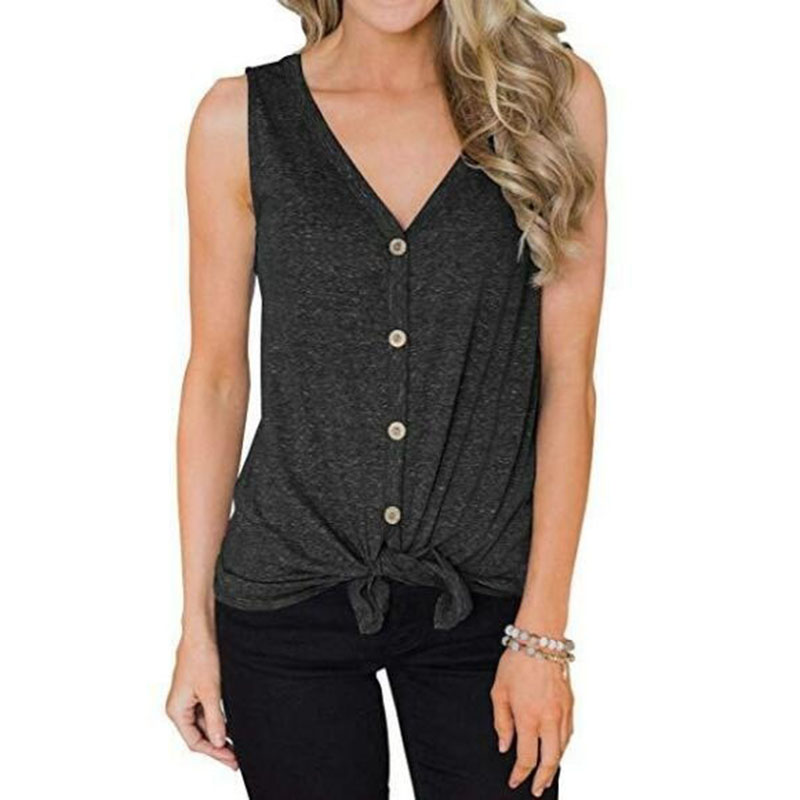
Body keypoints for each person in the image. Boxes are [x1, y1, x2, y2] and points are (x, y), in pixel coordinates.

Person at [166, 1, 606, 798]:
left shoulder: (549, 100)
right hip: (286, 595)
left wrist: (542, 635)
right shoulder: (238, 120)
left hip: (487, 603)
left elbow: (568, 377)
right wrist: (196, 628)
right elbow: (217, 378)